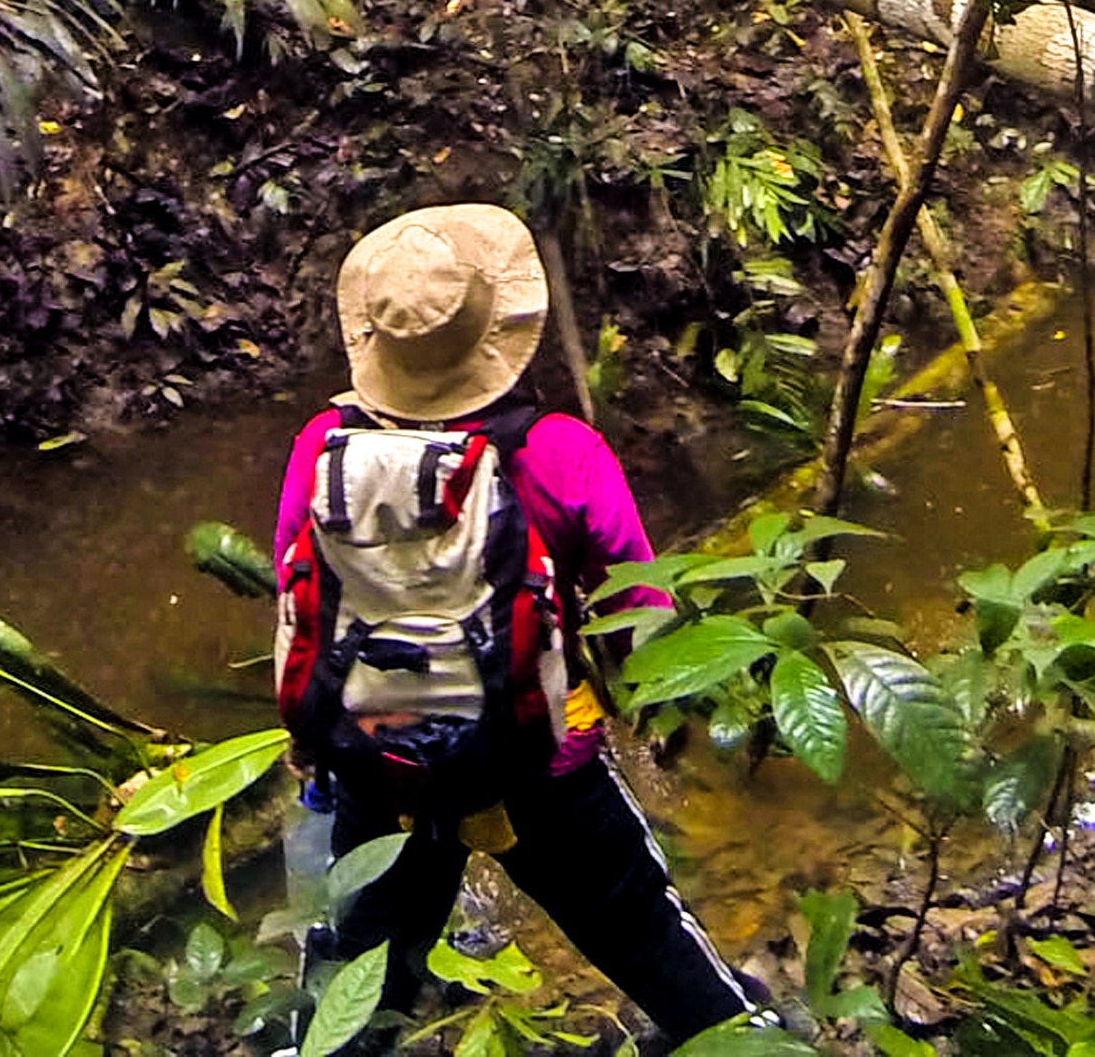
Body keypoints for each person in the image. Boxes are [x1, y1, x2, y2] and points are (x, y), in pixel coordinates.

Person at [273, 204, 762, 1049]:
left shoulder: (324, 444)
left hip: (378, 767)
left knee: (355, 985)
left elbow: (296, 590)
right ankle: (746, 1042)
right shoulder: (561, 451)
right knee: (652, 942)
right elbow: (638, 613)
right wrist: (655, 712)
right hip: (542, 763)